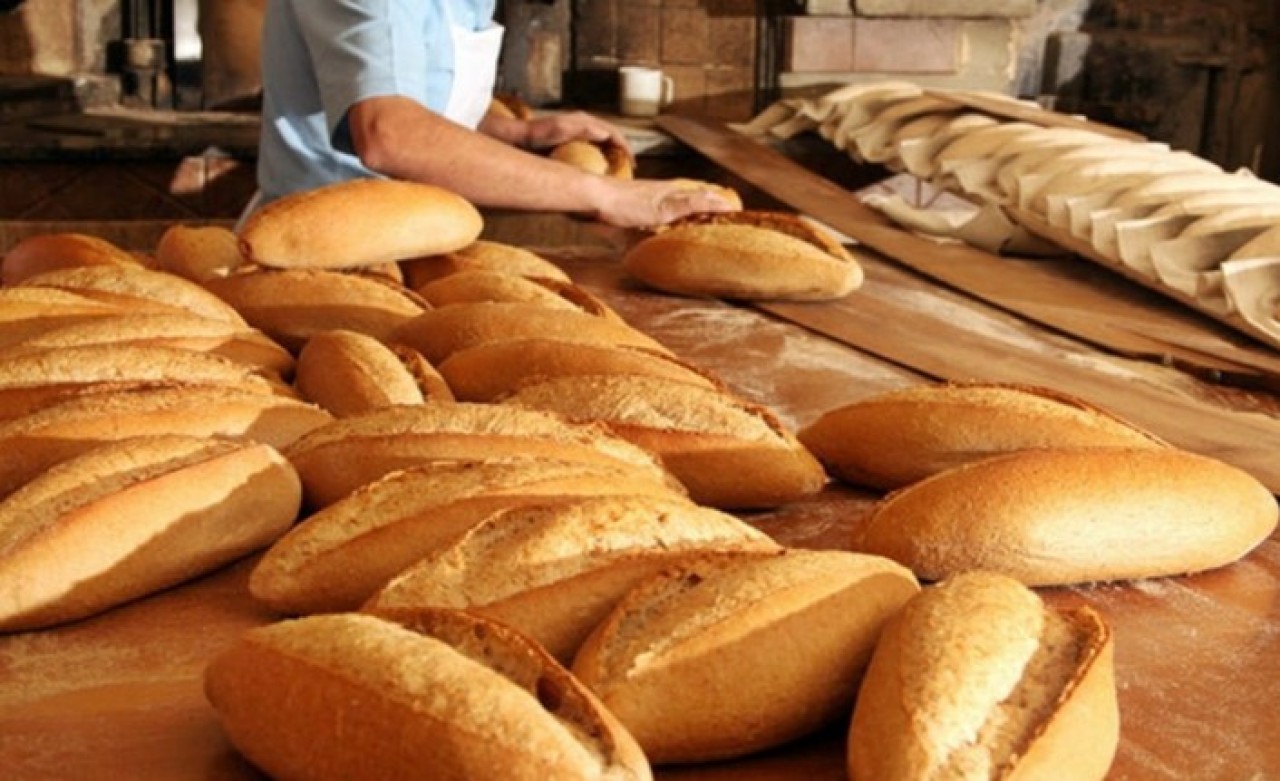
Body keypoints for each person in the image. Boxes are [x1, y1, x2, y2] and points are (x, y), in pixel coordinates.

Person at [247, 0, 740, 228]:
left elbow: (428, 93)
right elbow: (388, 131)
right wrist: (604, 194)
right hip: (319, 250)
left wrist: (519, 133)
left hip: (417, 239)